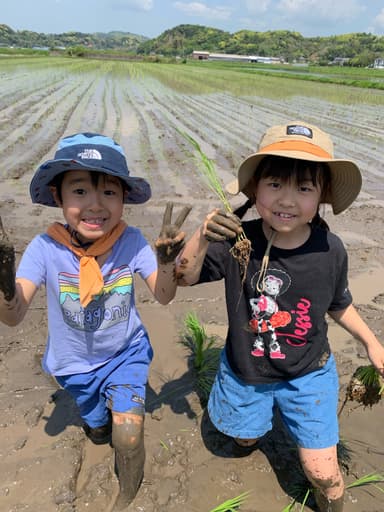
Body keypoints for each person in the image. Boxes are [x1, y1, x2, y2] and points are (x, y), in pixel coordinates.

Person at [176, 121, 384, 511]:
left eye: (304, 188)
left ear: (321, 197)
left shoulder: (330, 250)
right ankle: (252, 433)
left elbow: (338, 303)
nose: (288, 200)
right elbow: (183, 278)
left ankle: (333, 504)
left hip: (309, 373)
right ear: (255, 190)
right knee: (243, 439)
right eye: (275, 184)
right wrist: (202, 235)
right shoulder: (240, 241)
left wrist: (372, 342)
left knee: (324, 472)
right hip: (247, 371)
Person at [0, 132, 190, 511]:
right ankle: (96, 424)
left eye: (108, 192)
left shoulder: (131, 241)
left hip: (126, 354)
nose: (95, 205)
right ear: (58, 196)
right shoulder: (45, 248)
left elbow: (164, 295)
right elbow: (14, 315)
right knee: (100, 429)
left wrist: (168, 262)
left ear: (123, 198)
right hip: (74, 366)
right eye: (80, 191)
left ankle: (126, 495)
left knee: (129, 435)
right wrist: (4, 284)